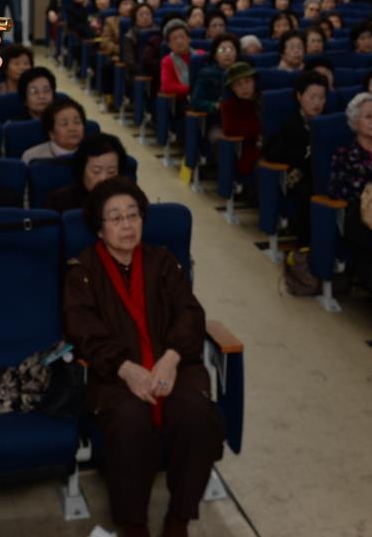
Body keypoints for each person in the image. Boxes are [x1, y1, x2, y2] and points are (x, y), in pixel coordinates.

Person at [63, 179, 225, 537]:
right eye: (116, 218)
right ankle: (133, 524)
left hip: (174, 366)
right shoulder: (83, 271)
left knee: (196, 416)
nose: (126, 225)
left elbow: (189, 313)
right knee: (130, 424)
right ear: (99, 228)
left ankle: (179, 518)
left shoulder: (162, 260)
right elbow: (82, 329)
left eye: (133, 216)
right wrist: (126, 368)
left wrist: (170, 358)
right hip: (115, 374)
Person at [329, 93, 372, 291]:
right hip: (358, 214)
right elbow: (337, 190)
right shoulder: (344, 153)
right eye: (368, 117)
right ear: (355, 121)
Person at [262, 72, 327, 240]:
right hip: (300, 176)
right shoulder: (289, 123)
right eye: (312, 97)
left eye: (321, 98)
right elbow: (272, 152)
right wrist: (305, 153)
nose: (317, 103)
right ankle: (306, 244)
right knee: (308, 191)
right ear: (299, 96)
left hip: (324, 174)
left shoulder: (330, 123)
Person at [46, 132, 131, 213]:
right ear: (82, 170)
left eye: (111, 172)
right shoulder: (58, 201)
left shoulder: (130, 199)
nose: (103, 178)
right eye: (96, 171)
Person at [219, 62, 263, 180]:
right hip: (248, 151)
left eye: (247, 82)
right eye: (238, 84)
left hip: (271, 146)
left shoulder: (264, 99)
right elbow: (230, 130)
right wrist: (258, 130)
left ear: (254, 82)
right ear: (233, 89)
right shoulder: (229, 106)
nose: (244, 87)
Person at [22, 96, 87, 164]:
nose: (72, 129)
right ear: (51, 133)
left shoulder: (93, 155)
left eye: (77, 122)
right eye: (64, 124)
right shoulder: (33, 157)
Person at [188, 33, 239, 117]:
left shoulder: (243, 72)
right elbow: (195, 102)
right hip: (216, 117)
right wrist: (215, 106)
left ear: (236, 54)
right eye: (222, 50)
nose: (227, 54)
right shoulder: (206, 74)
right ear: (215, 55)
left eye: (231, 49)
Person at [158, 21, 199, 108]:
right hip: (181, 102)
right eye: (174, 38)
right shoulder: (167, 61)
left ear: (189, 39)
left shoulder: (200, 55)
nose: (179, 41)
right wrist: (193, 89)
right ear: (169, 44)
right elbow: (167, 86)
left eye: (182, 37)